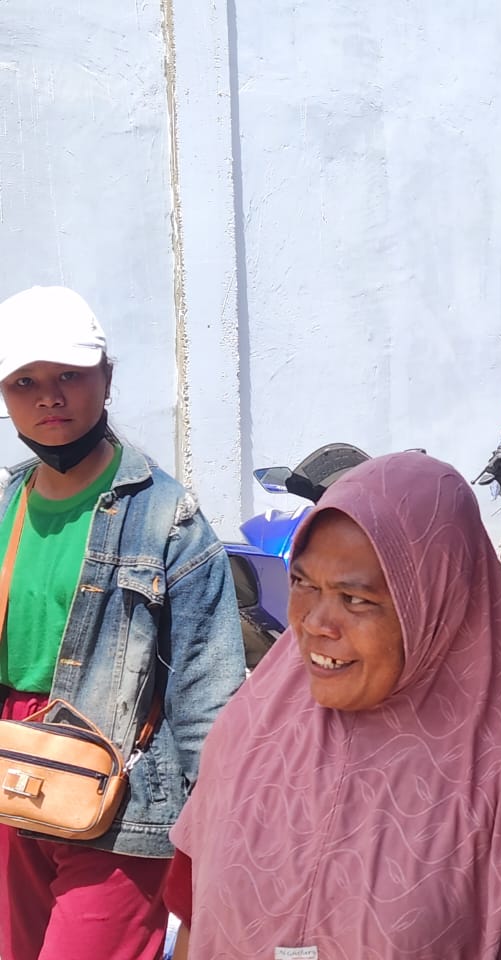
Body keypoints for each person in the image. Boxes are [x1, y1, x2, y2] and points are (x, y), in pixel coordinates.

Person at [165, 452, 501, 959]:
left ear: (434, 600)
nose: (317, 622)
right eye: (304, 584)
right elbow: (194, 915)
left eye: (356, 599)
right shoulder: (253, 727)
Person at [0, 285, 245, 960]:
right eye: (26, 381)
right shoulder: (5, 505)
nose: (50, 396)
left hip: (119, 792)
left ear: (106, 377)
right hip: (11, 775)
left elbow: (207, 691)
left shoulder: (169, 518)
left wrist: (216, 828)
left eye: (70, 376)